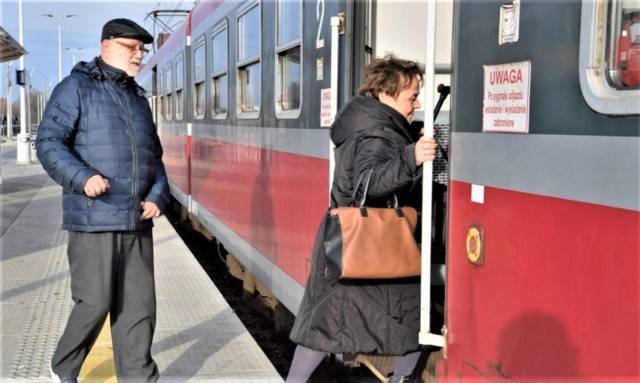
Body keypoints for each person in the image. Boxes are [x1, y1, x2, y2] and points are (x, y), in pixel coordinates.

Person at [286, 54, 437, 383]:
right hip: (369, 246)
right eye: (411, 96)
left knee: (324, 330)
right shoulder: (377, 135)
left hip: (349, 247)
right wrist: (411, 156)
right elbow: (368, 182)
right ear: (386, 95)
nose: (417, 102)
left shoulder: (371, 126)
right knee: (415, 324)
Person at [35, 18, 169, 383]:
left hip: (137, 220)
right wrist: (83, 178)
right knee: (94, 302)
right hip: (94, 217)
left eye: (142, 49)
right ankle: (63, 368)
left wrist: (158, 196)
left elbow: (154, 156)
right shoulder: (75, 88)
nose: (139, 55)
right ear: (106, 46)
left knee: (139, 309)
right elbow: (48, 143)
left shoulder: (138, 98)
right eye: (132, 48)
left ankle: (139, 377)